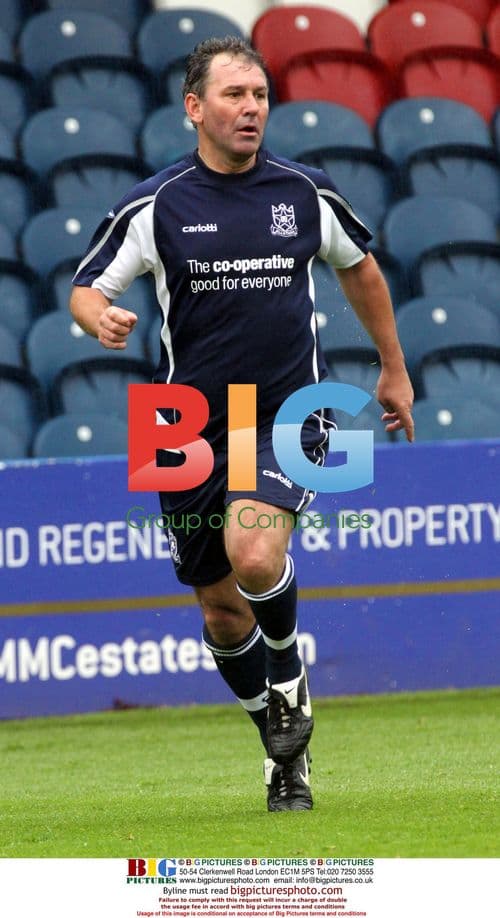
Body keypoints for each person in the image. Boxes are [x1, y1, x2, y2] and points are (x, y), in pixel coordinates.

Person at [70, 36, 414, 812]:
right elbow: (86, 287)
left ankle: (288, 676)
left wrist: (392, 370)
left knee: (254, 553)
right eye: (234, 95)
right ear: (195, 108)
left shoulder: (306, 191)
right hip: (180, 422)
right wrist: (101, 319)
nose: (252, 107)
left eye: (259, 94)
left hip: (296, 410)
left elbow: (360, 267)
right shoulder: (155, 204)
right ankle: (280, 747)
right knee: (221, 611)